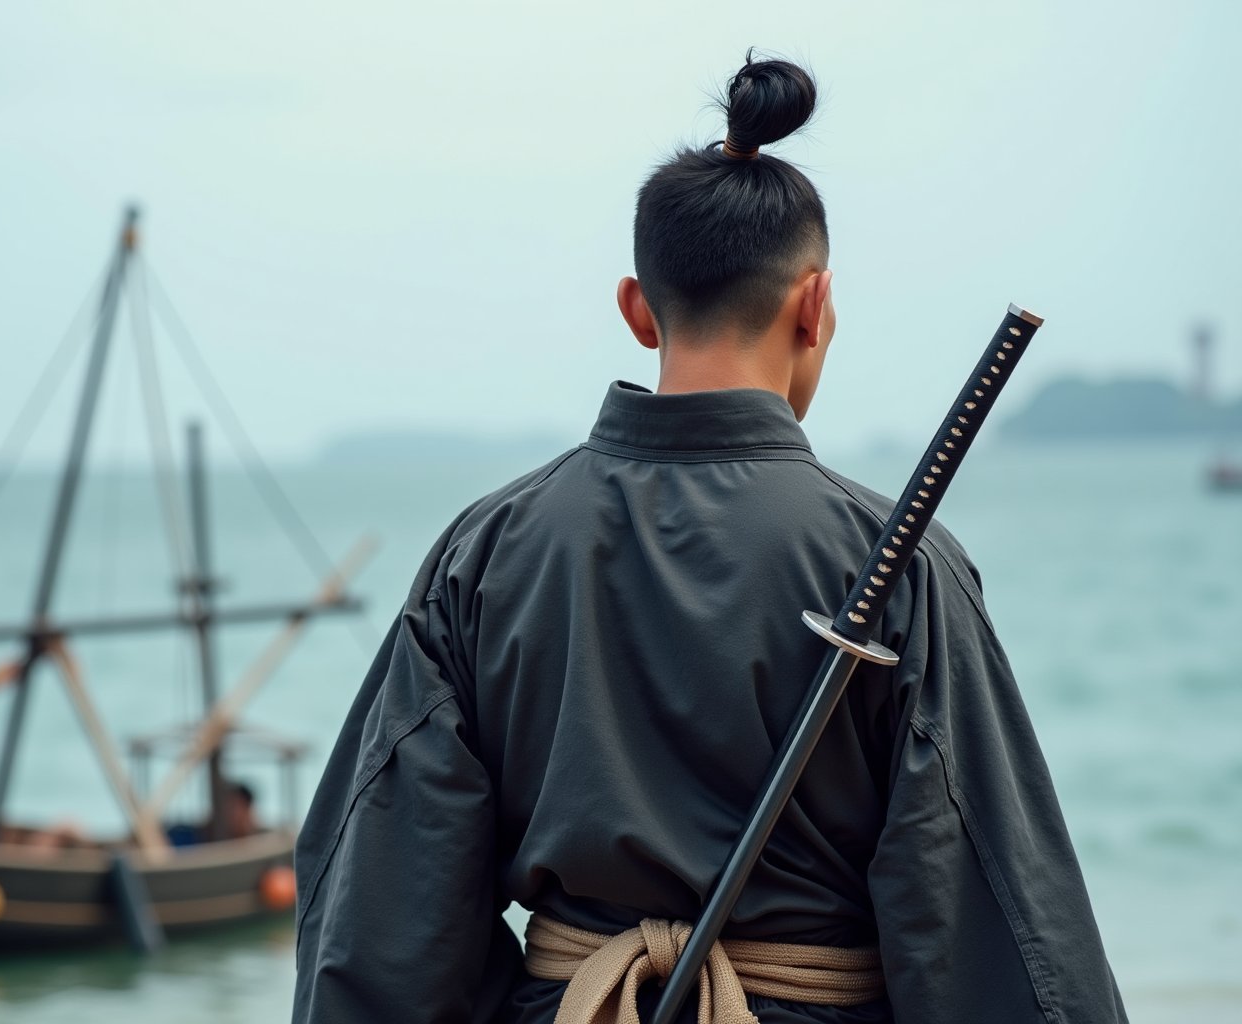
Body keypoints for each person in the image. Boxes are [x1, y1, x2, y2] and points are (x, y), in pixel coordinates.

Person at [293, 54, 1126, 1024]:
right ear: (815, 304)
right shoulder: (898, 558)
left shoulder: (485, 553)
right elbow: (996, 912)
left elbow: (385, 911)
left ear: (638, 307)